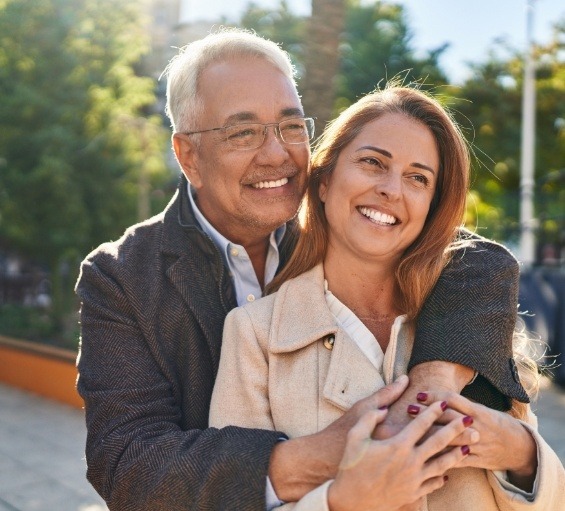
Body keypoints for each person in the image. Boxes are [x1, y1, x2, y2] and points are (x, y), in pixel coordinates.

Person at [76, 28, 528, 511]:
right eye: (243, 132)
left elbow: (473, 255)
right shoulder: (121, 277)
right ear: (188, 155)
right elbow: (128, 465)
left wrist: (430, 391)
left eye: (292, 127)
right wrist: (330, 456)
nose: (277, 154)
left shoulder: (342, 221)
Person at [209, 86, 565, 510]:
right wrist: (341, 501)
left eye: (418, 178)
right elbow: (234, 500)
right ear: (324, 182)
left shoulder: (469, 314)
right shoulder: (254, 335)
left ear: (432, 205)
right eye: (373, 162)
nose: (391, 190)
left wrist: (523, 454)